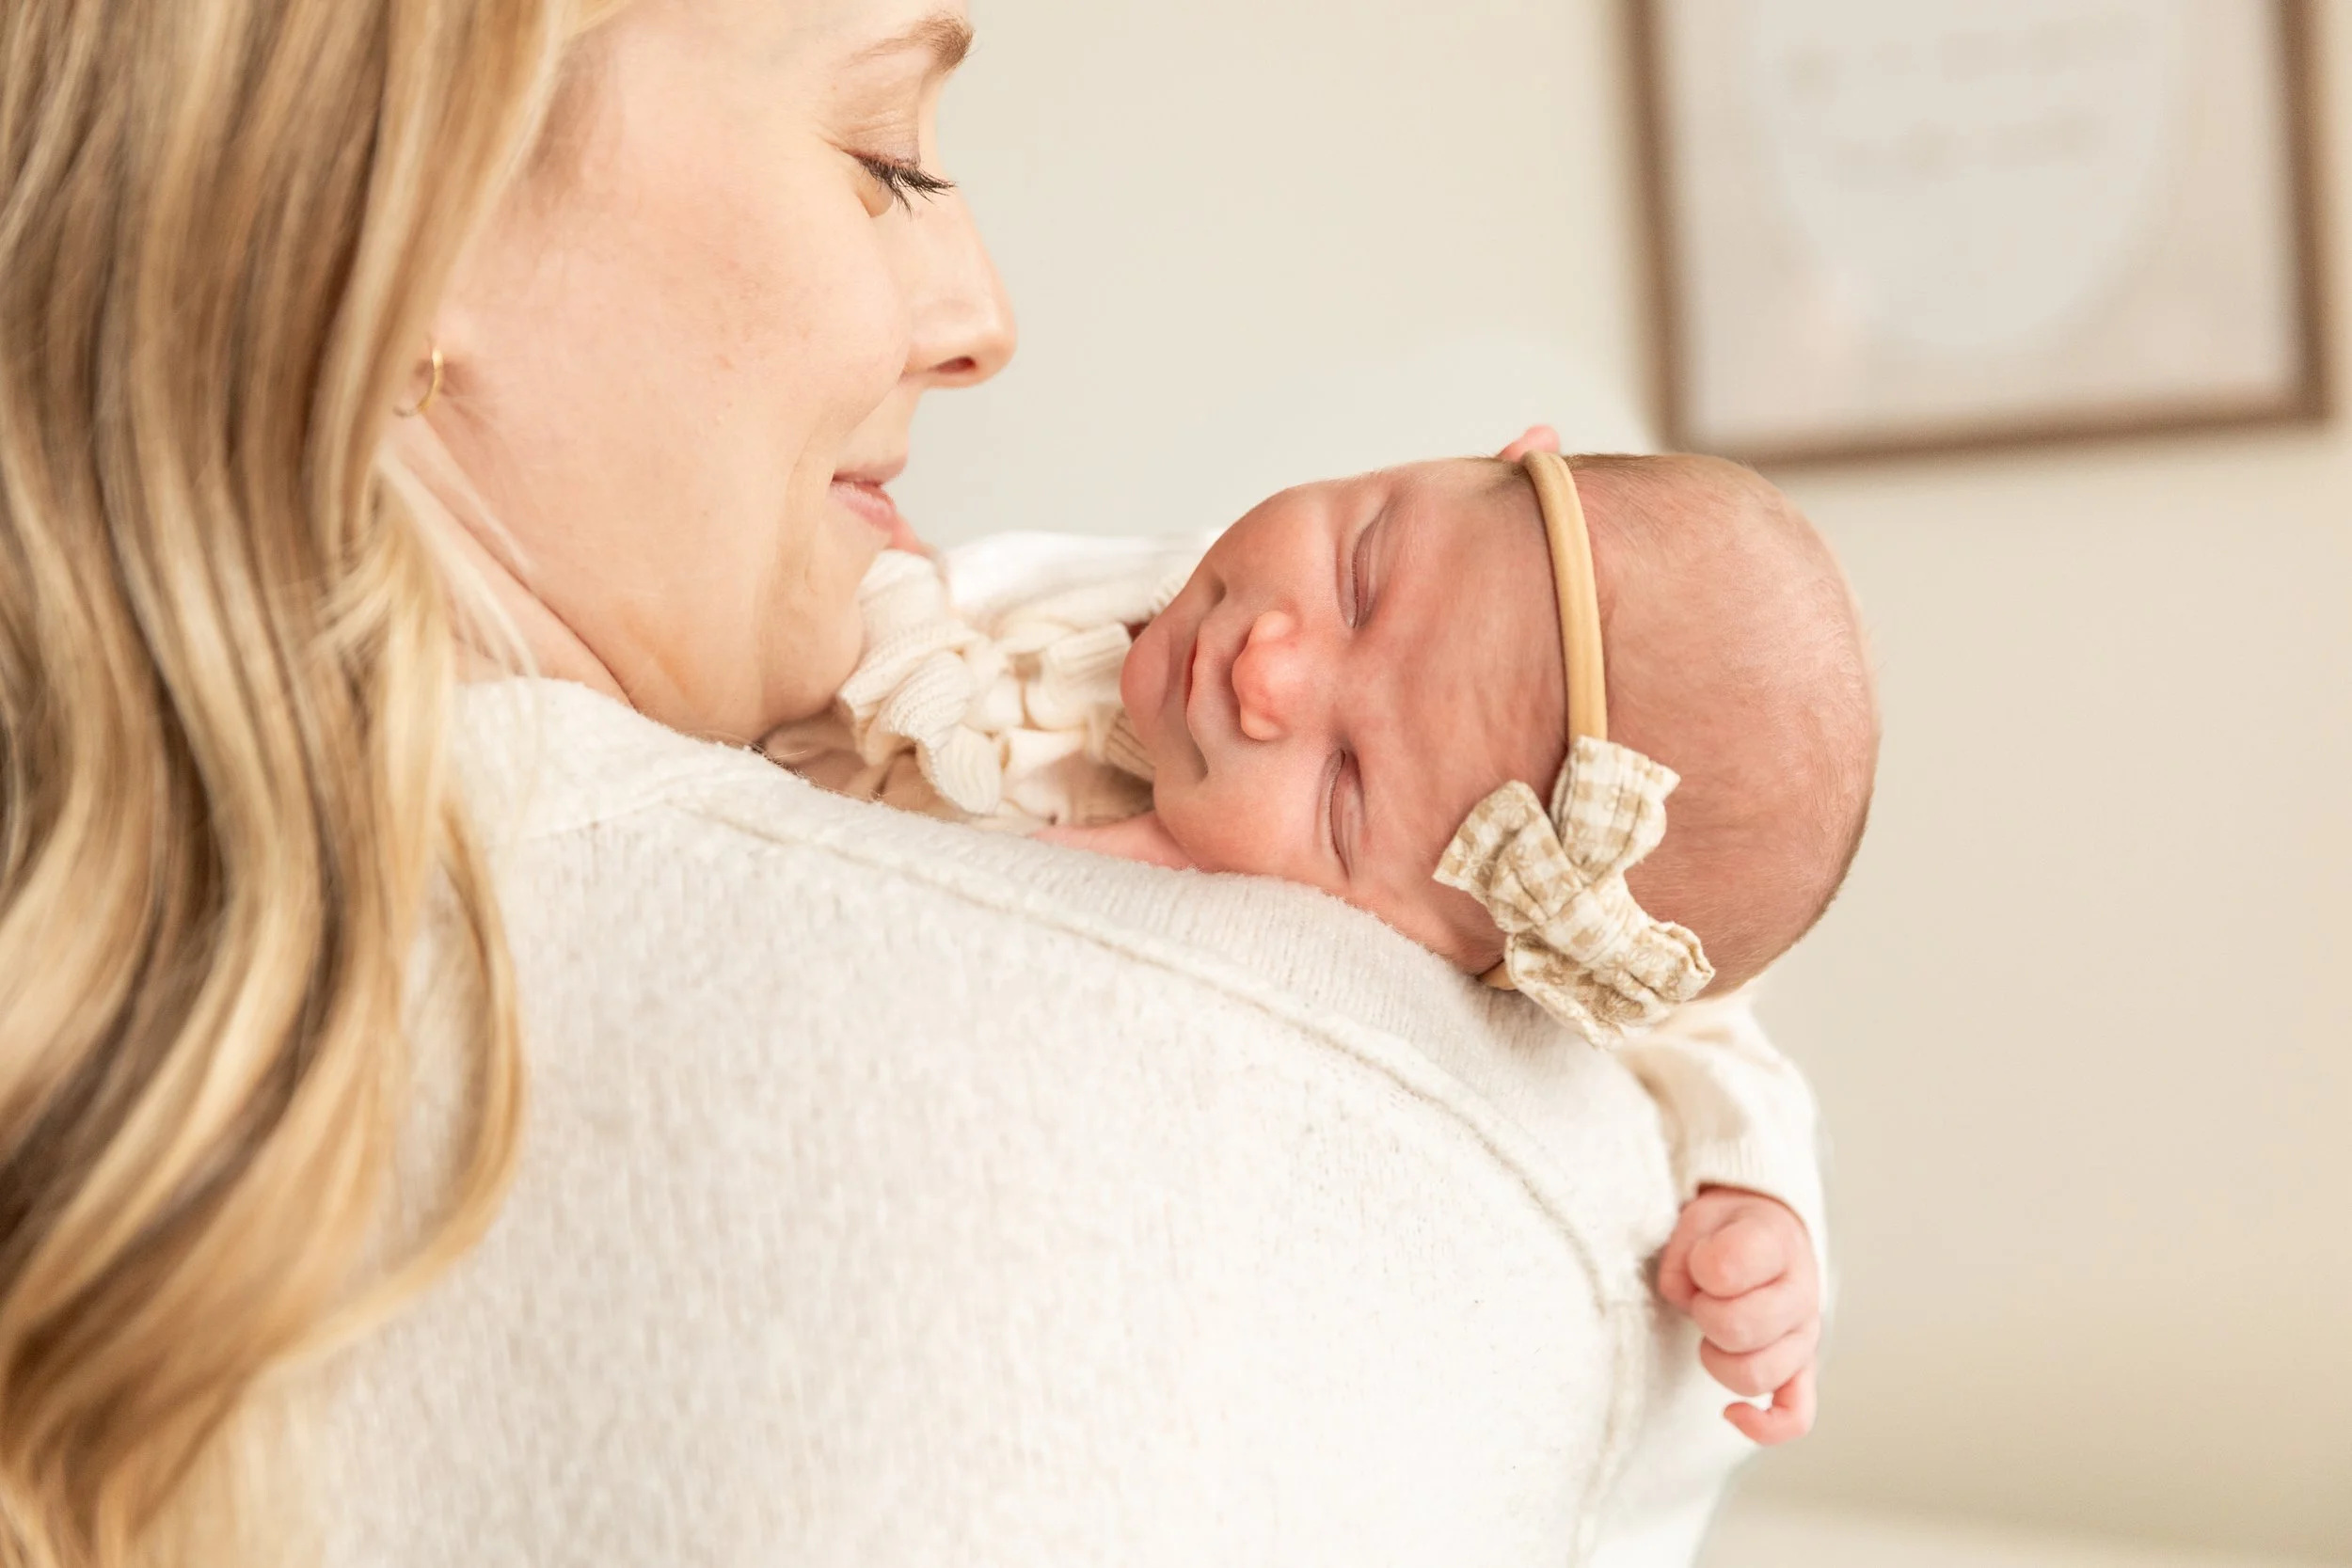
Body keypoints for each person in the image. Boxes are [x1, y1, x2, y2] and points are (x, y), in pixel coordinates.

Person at [0, 3, 1831, 1566]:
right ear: (394, 223)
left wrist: (1755, 1191)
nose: (983, 316)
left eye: (1353, 788)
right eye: (885, 155)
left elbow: (1687, 1030)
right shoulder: (1345, 1125)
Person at [775, 438, 1877, 1433]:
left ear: (1471, 957)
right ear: (1484, 455)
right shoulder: (1158, 591)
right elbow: (944, 611)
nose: (1266, 669)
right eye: (1362, 576)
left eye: (1346, 790)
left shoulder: (1387, 941)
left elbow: (1707, 1045)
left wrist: (1756, 1199)